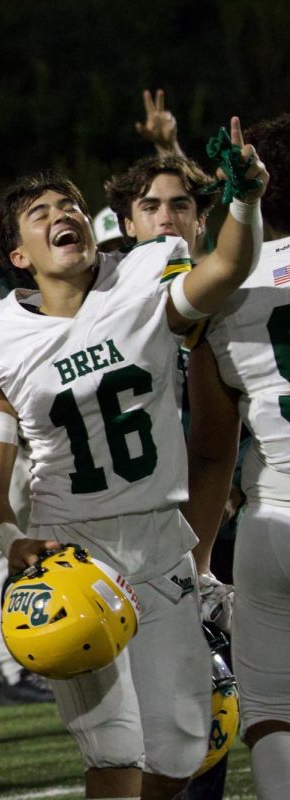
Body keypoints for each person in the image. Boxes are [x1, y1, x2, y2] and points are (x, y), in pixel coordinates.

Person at [0, 116, 267, 799]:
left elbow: (229, 266)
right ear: (18, 255)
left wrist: (243, 198)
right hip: (74, 556)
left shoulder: (142, 277)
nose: (64, 215)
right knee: (114, 747)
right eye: (41, 213)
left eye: (70, 206)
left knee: (181, 752)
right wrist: (12, 539)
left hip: (160, 544)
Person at [182, 112, 290, 800]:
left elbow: (212, 450)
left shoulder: (223, 296)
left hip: (269, 521)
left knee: (272, 715)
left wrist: (194, 563)